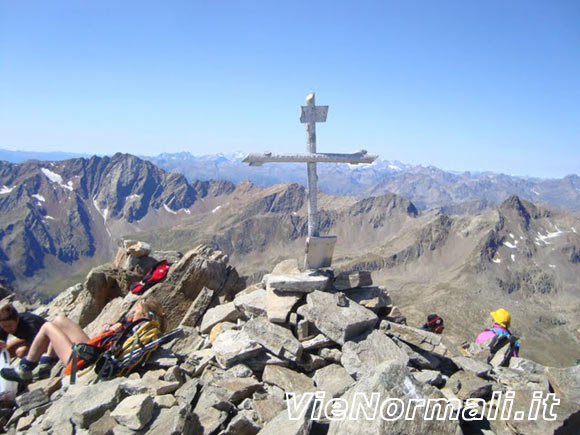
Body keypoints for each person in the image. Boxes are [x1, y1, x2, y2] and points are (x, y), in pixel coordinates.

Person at [0, 296, 166, 383]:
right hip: (95, 353)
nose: (132, 313)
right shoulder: (140, 329)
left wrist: (110, 333)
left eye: (136, 311)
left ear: (144, 315)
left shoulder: (137, 329)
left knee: (47, 328)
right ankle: (44, 366)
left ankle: (25, 369)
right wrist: (108, 331)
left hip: (85, 364)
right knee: (58, 321)